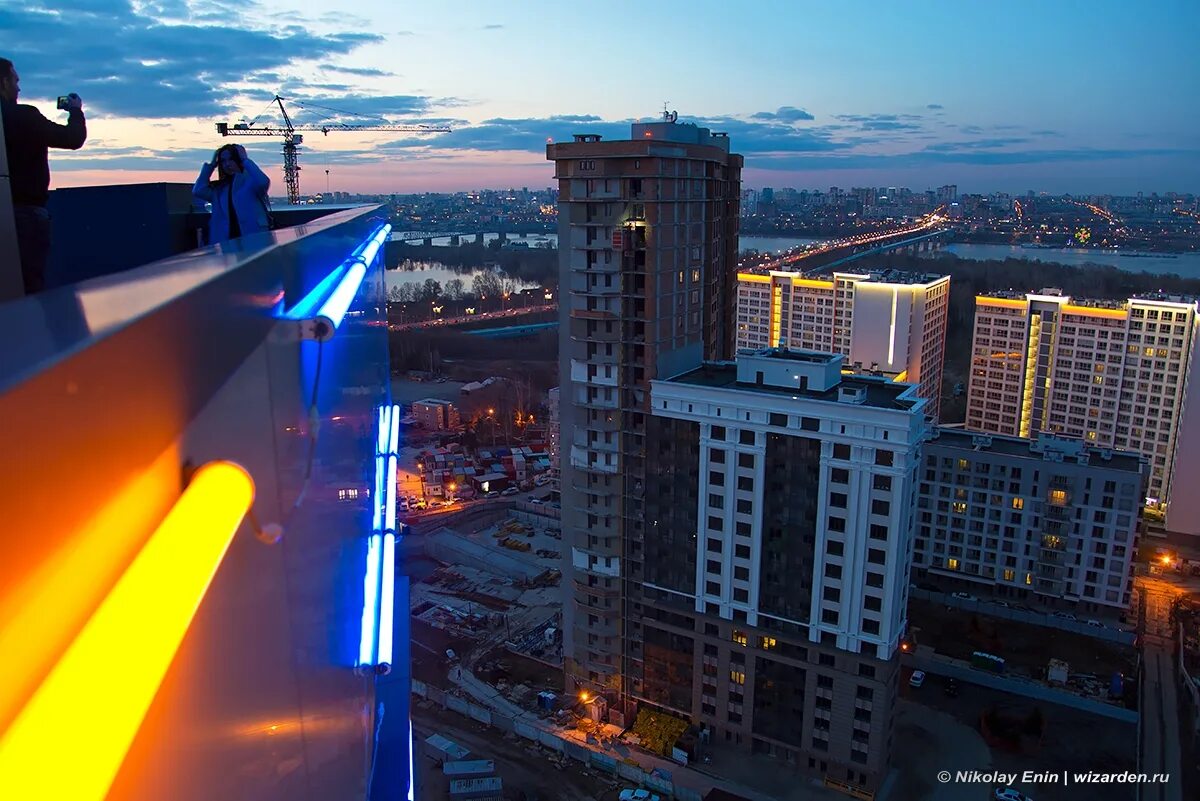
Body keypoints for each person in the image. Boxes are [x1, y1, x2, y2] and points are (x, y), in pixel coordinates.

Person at [0, 58, 86, 294]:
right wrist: (76, 112)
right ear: (4, 82)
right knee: (30, 287)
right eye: (15, 81)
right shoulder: (23, 116)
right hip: (25, 215)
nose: (18, 88)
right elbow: (72, 138)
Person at [192, 143, 271, 245]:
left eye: (231, 159)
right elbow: (198, 190)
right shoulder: (220, 188)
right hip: (227, 240)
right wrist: (211, 166)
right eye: (223, 161)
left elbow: (263, 181)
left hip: (252, 238)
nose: (227, 164)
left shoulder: (250, 182)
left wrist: (245, 160)